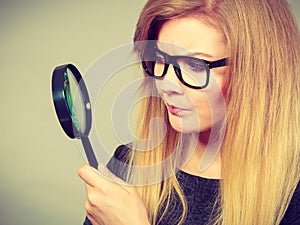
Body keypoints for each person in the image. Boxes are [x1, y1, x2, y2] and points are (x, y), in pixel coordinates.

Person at [78, 0, 300, 224]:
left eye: (194, 65)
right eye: (159, 58)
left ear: (256, 72)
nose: (166, 84)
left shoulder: (293, 190)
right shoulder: (129, 165)